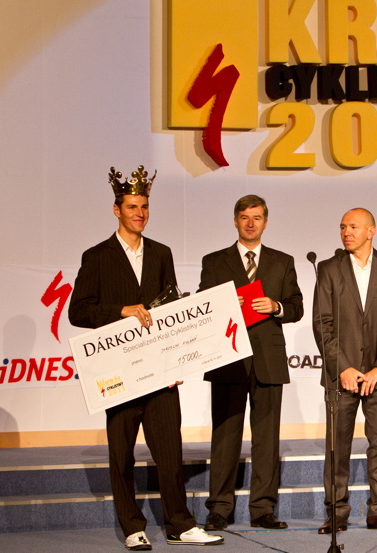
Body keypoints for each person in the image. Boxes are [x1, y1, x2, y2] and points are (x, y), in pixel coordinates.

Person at [68, 166, 222, 550]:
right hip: (120, 374)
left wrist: (179, 361)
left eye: (144, 207)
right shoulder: (97, 256)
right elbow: (78, 311)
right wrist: (120, 311)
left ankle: (179, 525)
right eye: (132, 207)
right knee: (122, 455)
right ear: (116, 210)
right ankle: (132, 527)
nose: (140, 213)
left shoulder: (160, 253)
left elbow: (171, 310)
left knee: (170, 453)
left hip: (160, 371)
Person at [199, 195, 303, 531]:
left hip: (268, 360)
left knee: (267, 439)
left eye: (256, 217)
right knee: (225, 438)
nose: (250, 223)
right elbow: (203, 306)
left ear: (265, 222)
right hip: (228, 358)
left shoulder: (282, 261)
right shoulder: (215, 261)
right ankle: (219, 508)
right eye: (244, 217)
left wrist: (276, 306)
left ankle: (263, 509)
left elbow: (296, 306)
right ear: (235, 221)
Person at [312, 208, 377, 534]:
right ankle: (337, 512)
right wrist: (343, 367)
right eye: (343, 227)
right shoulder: (328, 268)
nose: (346, 232)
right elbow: (322, 324)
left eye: (353, 226)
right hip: (342, 377)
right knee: (337, 447)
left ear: (371, 231)